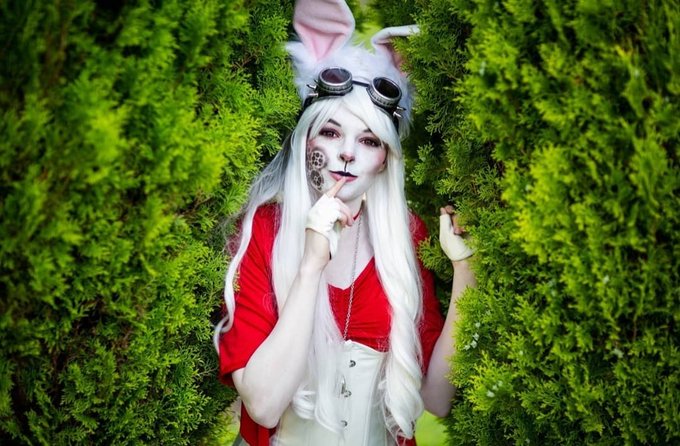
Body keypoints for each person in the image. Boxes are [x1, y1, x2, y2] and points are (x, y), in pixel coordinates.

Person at [214, 1, 476, 444]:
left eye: (369, 140)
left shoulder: (407, 235)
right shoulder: (262, 230)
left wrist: (465, 269)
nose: (348, 153)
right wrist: (311, 264)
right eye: (331, 132)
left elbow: (437, 398)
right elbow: (263, 406)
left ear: (385, 159)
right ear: (306, 140)